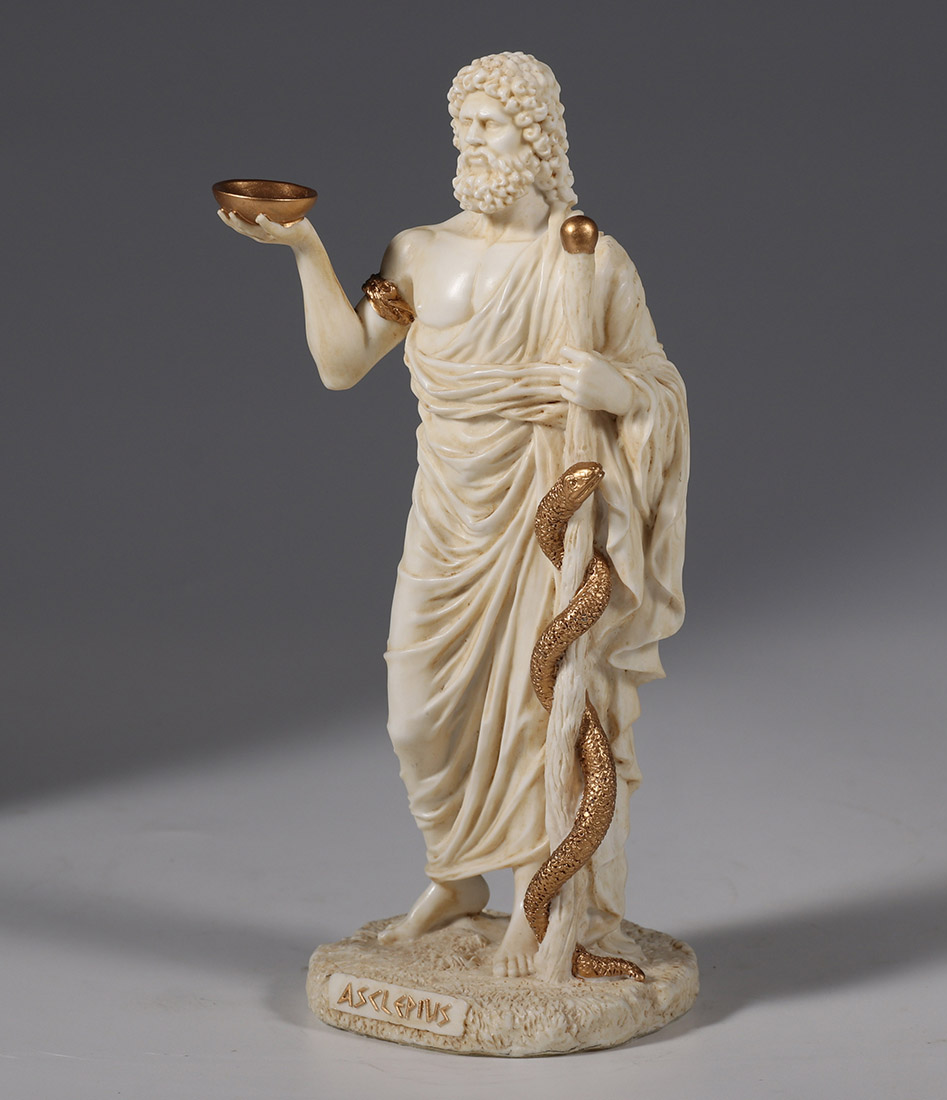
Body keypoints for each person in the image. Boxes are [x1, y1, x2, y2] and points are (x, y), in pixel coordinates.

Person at [219, 52, 688, 979]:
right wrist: (308, 252)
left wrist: (617, 390)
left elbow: (659, 385)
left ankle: (535, 898)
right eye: (462, 124)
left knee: (538, 704)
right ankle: (454, 875)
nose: (470, 141)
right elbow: (342, 364)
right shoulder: (417, 251)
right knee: (417, 713)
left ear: (537, 138)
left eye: (490, 124)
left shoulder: (589, 262)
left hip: (542, 509)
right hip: (447, 510)